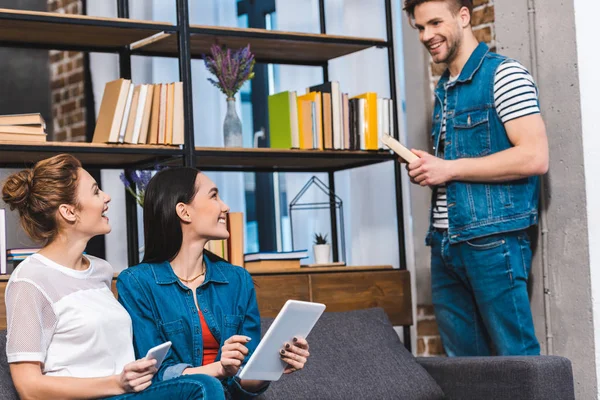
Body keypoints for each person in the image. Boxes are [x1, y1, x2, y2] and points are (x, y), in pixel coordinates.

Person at [1, 154, 225, 399]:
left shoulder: (100, 270)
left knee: (204, 385)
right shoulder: (30, 280)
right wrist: (117, 383)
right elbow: (29, 388)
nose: (107, 197)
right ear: (69, 212)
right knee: (203, 387)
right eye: (96, 191)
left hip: (128, 394)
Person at [403, 0, 549, 356]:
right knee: (467, 375)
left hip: (492, 243)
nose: (427, 35)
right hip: (445, 244)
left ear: (464, 16)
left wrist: (449, 168)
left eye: (435, 23)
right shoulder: (445, 89)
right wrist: (431, 167)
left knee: (517, 362)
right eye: (420, 27)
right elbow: (459, 166)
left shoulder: (504, 75)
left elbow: (534, 156)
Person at [116, 167, 311, 399]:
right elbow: (156, 375)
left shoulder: (237, 280)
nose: (225, 207)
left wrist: (272, 365)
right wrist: (220, 368)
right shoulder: (137, 283)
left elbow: (245, 379)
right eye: (214, 196)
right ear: (184, 212)